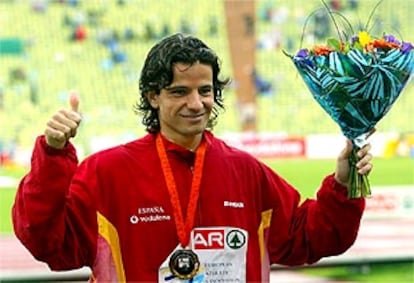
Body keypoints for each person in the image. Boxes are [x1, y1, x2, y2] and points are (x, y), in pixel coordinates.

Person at [12, 33, 373, 282]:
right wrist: (53, 154)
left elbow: (311, 237)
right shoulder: (106, 172)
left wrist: (343, 185)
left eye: (205, 91)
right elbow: (49, 244)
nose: (197, 103)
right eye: (180, 92)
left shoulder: (245, 170)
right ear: (153, 96)